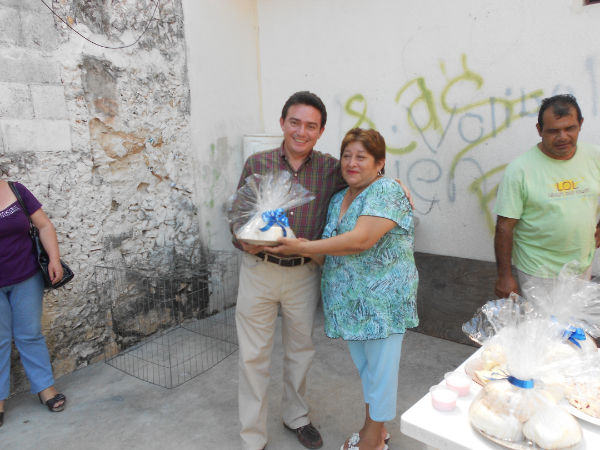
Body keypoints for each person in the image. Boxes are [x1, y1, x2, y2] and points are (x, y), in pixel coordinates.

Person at [270, 128, 419, 450]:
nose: (351, 163)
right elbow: (328, 250)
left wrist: (301, 247)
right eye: (347, 156)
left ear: (380, 163)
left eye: (361, 157)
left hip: (381, 303)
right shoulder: (340, 198)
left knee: (380, 374)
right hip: (351, 306)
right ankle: (376, 431)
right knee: (369, 372)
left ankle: (372, 442)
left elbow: (361, 240)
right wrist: (280, 238)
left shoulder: (386, 190)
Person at [494, 94, 600, 299]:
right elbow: (504, 226)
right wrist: (504, 276)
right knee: (544, 321)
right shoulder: (519, 170)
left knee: (575, 320)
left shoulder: (595, 157)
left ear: (580, 124)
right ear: (539, 130)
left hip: (582, 266)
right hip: (538, 273)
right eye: (553, 131)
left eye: (570, 128)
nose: (562, 137)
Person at [0, 178, 67, 428]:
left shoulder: (15, 190)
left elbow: (44, 225)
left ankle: (45, 388)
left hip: (26, 278)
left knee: (29, 334)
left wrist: (54, 259)